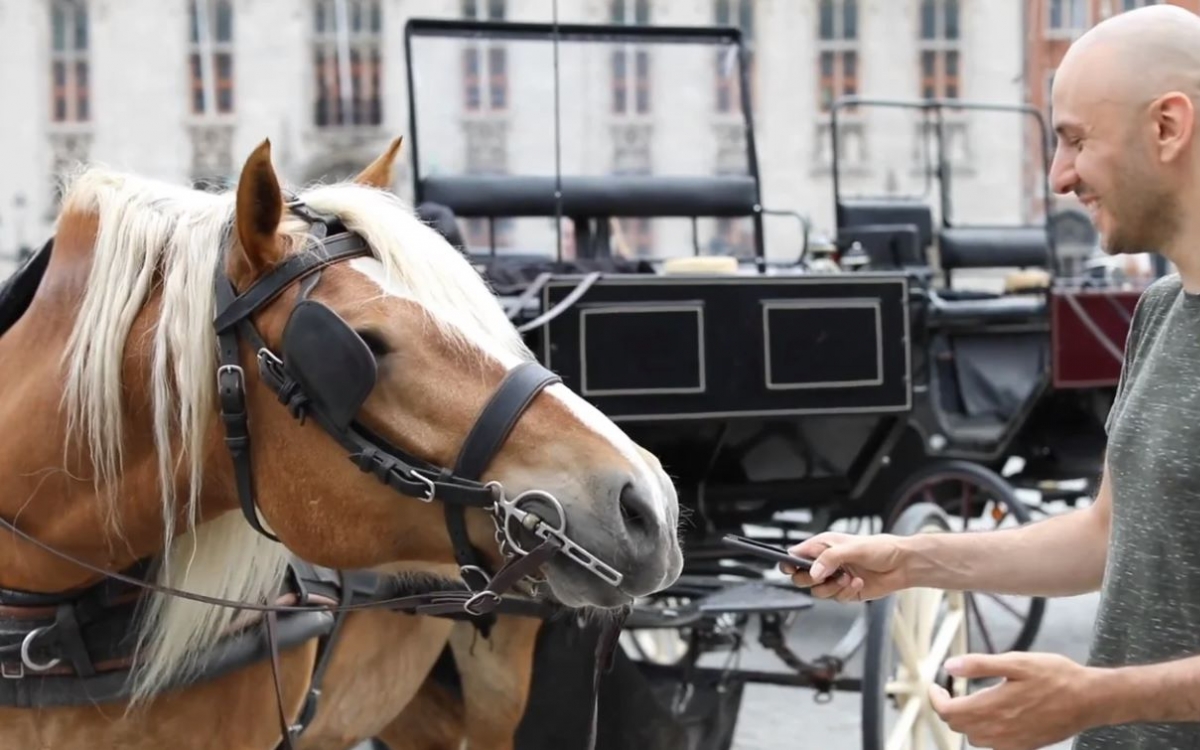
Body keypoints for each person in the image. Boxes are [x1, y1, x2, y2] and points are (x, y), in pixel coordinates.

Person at [784, 6, 1200, 749]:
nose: (1060, 175)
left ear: (1168, 127)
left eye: (1076, 139)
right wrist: (909, 561)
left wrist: (1094, 697)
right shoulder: (1163, 311)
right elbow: (1107, 535)